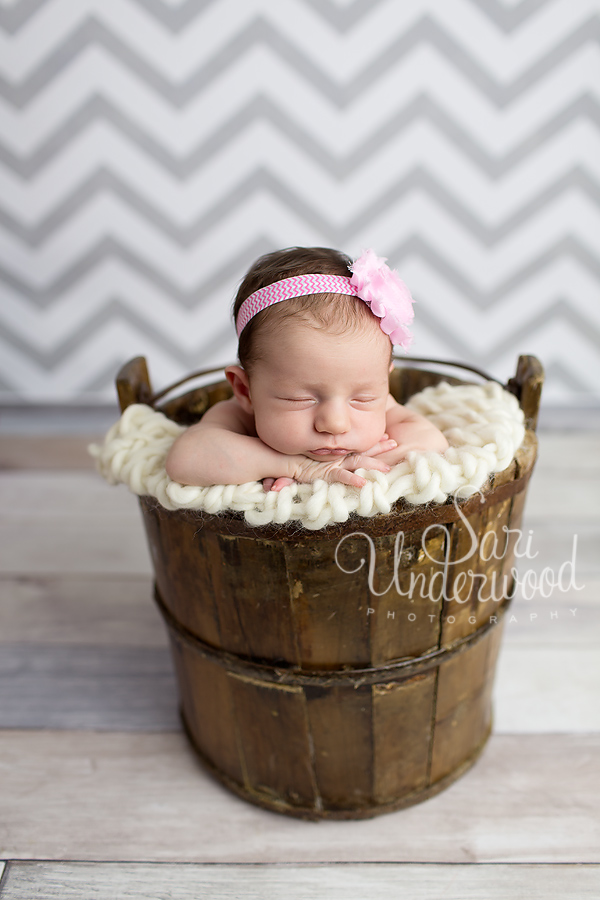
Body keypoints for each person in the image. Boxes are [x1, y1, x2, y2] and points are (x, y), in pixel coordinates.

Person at [165, 247, 449, 491]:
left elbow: (431, 441)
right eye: (300, 399)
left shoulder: (382, 405)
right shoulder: (236, 416)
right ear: (245, 390)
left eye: (362, 399)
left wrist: (349, 465)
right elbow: (185, 460)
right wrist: (298, 468)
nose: (336, 423)